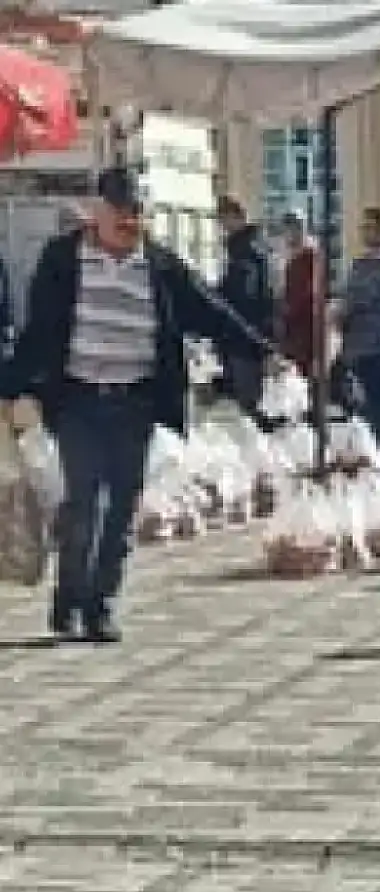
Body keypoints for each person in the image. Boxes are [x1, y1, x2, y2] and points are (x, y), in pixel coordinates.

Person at [0, 167, 278, 642]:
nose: (129, 223)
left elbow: (209, 310)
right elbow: (39, 331)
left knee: (121, 508)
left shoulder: (161, 266)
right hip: (78, 401)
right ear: (97, 211)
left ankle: (101, 605)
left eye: (137, 214)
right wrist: (9, 384)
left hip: (135, 403)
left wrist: (262, 351)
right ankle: (70, 599)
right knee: (84, 505)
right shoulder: (62, 260)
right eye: (120, 213)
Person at [336, 207, 380, 462]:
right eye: (362, 227)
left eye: (369, 227)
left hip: (376, 341)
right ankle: (371, 450)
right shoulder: (363, 261)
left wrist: (341, 310)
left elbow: (361, 296)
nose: (364, 232)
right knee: (358, 399)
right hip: (356, 342)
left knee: (379, 400)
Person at [212, 196, 275, 422]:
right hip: (250, 336)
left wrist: (218, 299)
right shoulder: (253, 248)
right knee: (247, 403)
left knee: (247, 407)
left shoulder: (245, 251)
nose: (221, 226)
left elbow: (243, 296)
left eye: (223, 219)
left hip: (244, 337)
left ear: (235, 217)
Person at [278, 211, 323, 383]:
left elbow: (307, 290)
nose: (289, 233)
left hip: (305, 324)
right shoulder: (288, 257)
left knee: (305, 372)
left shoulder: (309, 255)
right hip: (291, 326)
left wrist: (288, 310)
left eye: (293, 228)